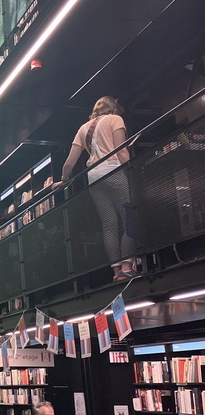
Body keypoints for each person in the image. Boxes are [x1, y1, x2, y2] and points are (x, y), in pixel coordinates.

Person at [58, 96, 136, 281]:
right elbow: (121, 150)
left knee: (109, 225)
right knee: (130, 218)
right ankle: (127, 266)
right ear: (114, 108)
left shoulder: (82, 129)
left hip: (93, 176)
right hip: (114, 170)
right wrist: (133, 171)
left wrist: (63, 179)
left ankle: (116, 271)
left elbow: (69, 162)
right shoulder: (115, 119)